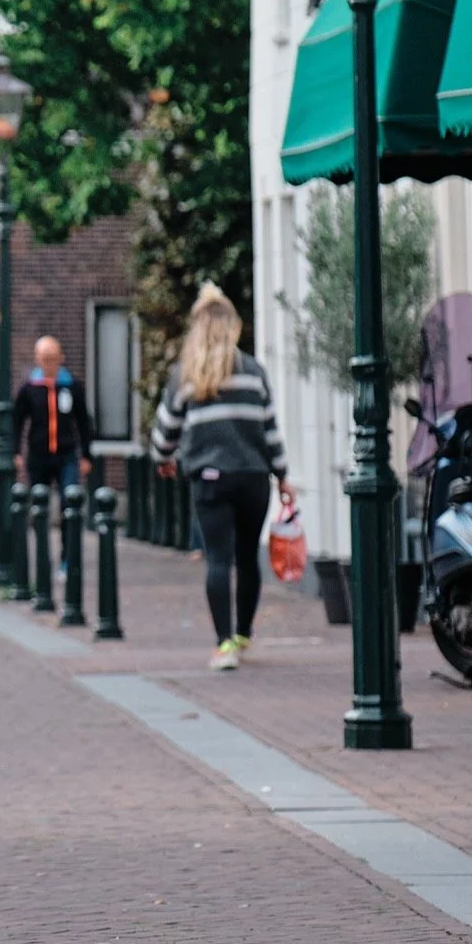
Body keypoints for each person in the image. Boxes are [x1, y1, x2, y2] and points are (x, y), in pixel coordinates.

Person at [149, 285, 291, 671]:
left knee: (217, 559)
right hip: (253, 478)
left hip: (210, 478)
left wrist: (163, 458)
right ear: (232, 326)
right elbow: (270, 430)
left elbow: (165, 430)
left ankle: (224, 644)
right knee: (247, 557)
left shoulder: (186, 374)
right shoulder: (254, 371)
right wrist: (282, 475)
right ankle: (243, 634)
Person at [12, 336, 91, 503]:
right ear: (37, 359)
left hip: (66, 452)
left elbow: (83, 421)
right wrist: (16, 451)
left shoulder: (71, 386)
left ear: (61, 358)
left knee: (69, 498)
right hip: (38, 452)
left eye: (52, 358)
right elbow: (17, 421)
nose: (49, 363)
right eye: (45, 358)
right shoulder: (29, 388)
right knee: (38, 499)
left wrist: (86, 455)